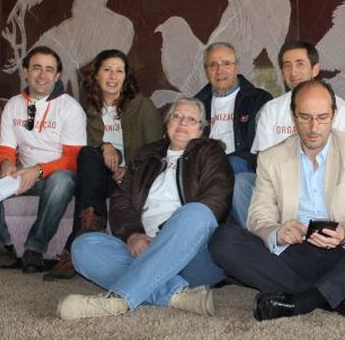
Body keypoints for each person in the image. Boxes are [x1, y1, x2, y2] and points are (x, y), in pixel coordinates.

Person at [209, 80, 345, 321]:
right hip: (292, 255)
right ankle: (336, 294)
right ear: (293, 116)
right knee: (223, 239)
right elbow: (259, 216)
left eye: (322, 118)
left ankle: (302, 301)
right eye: (305, 117)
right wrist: (277, 233)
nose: (314, 127)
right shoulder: (272, 158)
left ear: (334, 115)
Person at [57, 97, 233, 319]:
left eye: (191, 119)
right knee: (82, 246)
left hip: (193, 252)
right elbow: (121, 200)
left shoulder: (212, 153)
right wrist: (133, 234)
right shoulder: (146, 155)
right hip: (143, 247)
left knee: (197, 213)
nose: (183, 123)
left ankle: (119, 300)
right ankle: (175, 295)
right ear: (167, 123)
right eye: (177, 116)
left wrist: (164, 237)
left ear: (201, 129)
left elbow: (217, 200)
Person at [44, 49, 163, 281]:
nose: (113, 76)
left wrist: (129, 171)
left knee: (90, 162)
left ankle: (72, 250)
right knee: (88, 154)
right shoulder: (87, 109)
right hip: (99, 177)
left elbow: (155, 152)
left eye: (119, 71)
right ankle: (92, 223)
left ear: (126, 77)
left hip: (133, 178)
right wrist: (104, 146)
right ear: (96, 75)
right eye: (107, 70)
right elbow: (82, 148)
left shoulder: (143, 106)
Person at [226, 40, 345, 225]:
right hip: (280, 185)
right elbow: (263, 158)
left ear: (315, 69)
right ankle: (267, 235)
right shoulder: (272, 109)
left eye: (300, 64)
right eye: (287, 65)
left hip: (327, 185)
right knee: (241, 182)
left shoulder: (338, 107)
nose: (293, 72)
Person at [0, 46, 87, 273]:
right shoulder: (14, 104)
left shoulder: (71, 108)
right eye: (36, 68)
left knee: (63, 180)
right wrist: (6, 164)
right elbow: (5, 147)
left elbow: (73, 159)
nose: (42, 75)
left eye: (49, 70)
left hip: (54, 178)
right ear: (25, 72)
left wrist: (38, 170)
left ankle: (34, 248)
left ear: (57, 76)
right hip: (21, 174)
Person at [194, 42, 271, 221]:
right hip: (207, 167)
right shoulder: (196, 104)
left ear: (237, 67)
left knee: (232, 164)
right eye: (213, 65)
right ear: (206, 70)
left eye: (226, 64)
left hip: (244, 165)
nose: (219, 70)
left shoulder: (258, 99)